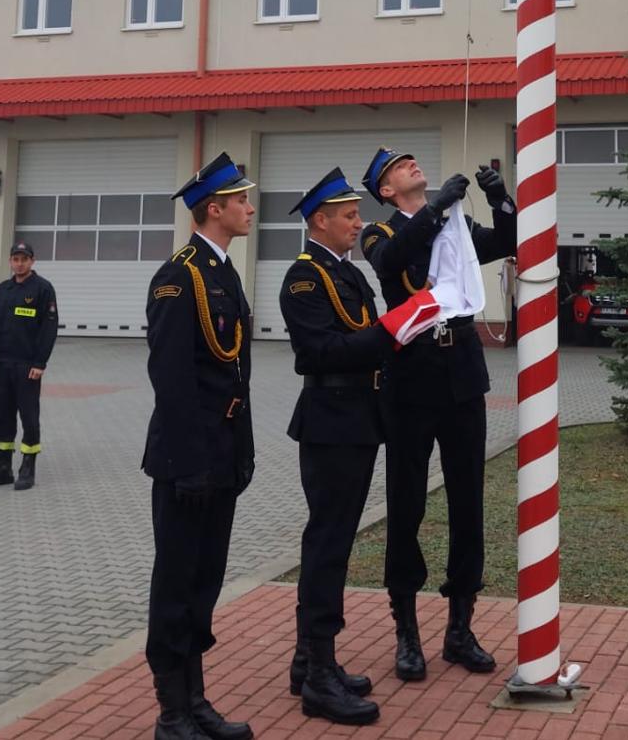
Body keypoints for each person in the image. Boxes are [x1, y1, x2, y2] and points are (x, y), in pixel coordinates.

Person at [280, 167, 442, 726]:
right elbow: (321, 352)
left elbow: (361, 337)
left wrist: (396, 328)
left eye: (357, 213)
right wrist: (395, 327)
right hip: (330, 422)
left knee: (335, 543)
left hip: (354, 421)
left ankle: (309, 660)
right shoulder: (304, 278)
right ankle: (319, 678)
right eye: (348, 215)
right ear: (319, 221)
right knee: (327, 545)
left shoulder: (343, 273)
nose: (358, 222)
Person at [357, 147, 515, 681]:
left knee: (468, 499)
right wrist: (436, 209)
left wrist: (499, 200)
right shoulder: (379, 233)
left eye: (412, 161)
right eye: (399, 168)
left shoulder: (457, 223)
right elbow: (391, 262)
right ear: (385, 191)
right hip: (411, 377)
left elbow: (506, 244)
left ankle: (460, 628)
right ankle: (406, 629)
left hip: (462, 373)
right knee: (406, 503)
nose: (413, 166)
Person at [142, 152, 257, 740]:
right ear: (214, 208)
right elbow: (172, 380)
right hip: (185, 458)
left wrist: (242, 451)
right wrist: (189, 463)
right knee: (178, 580)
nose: (249, 207)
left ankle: (197, 700)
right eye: (240, 200)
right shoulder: (177, 276)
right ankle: (171, 711)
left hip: (219, 452)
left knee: (206, 578)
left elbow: (236, 369)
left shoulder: (223, 271)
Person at [0, 240, 58, 491]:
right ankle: (2, 466)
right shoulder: (3, 289)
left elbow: (48, 328)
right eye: (15, 258)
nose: (19, 263)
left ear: (32, 261)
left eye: (24, 259)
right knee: (0, 415)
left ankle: (28, 467)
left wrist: (40, 363)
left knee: (29, 417)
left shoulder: (43, 289)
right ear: (10, 261)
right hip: (2, 365)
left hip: (27, 366)